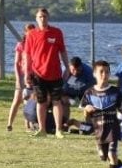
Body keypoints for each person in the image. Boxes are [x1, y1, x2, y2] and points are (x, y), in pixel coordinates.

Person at [23, 8, 70, 138]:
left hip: (55, 73)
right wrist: (27, 72)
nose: (42, 19)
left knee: (57, 101)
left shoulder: (56, 32)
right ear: (36, 19)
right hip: (38, 74)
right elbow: (27, 55)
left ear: (48, 17)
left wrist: (67, 66)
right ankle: (42, 129)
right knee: (41, 101)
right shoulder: (31, 34)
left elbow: (63, 51)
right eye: (39, 17)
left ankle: (58, 130)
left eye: (44, 16)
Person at [7, 23, 35, 132]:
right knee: (17, 99)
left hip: (32, 75)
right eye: (29, 31)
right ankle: (10, 123)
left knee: (29, 100)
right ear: (25, 32)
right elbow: (16, 63)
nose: (31, 33)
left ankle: (28, 125)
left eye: (33, 31)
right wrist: (18, 78)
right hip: (23, 73)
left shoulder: (36, 44)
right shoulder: (21, 45)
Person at [62, 56, 96, 122]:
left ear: (81, 67)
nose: (75, 72)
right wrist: (63, 96)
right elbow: (58, 87)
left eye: (78, 70)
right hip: (68, 92)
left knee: (89, 105)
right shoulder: (63, 71)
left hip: (84, 91)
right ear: (69, 66)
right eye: (73, 70)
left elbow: (94, 88)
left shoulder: (89, 72)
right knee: (64, 102)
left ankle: (89, 124)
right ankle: (64, 123)